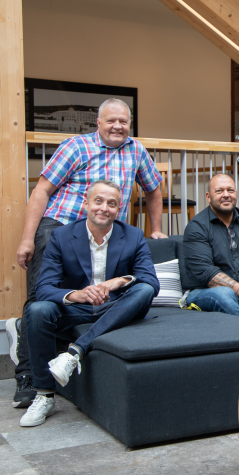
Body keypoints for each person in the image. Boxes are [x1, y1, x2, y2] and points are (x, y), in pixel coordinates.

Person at [9, 98, 165, 410]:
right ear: (98, 122)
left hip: (105, 229)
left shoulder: (137, 150)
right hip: (59, 226)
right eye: (111, 121)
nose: (117, 126)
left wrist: (157, 229)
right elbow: (42, 190)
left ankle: (69, 353)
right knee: (40, 298)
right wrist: (28, 238)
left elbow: (153, 189)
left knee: (104, 293)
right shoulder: (76, 147)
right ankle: (28, 376)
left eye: (123, 121)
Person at [19, 180, 160, 427]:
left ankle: (75, 352)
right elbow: (43, 288)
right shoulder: (61, 236)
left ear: (119, 209)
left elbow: (151, 281)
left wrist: (119, 281)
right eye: (98, 201)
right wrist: (76, 295)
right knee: (37, 309)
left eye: (111, 203)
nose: (104, 208)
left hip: (116, 307)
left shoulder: (133, 236)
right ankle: (44, 395)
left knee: (144, 289)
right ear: (86, 203)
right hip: (77, 308)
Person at [182, 174, 239, 317]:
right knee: (224, 293)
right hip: (203, 292)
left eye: (230, 190)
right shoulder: (197, 226)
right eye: (219, 191)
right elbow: (207, 273)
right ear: (208, 196)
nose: (226, 195)